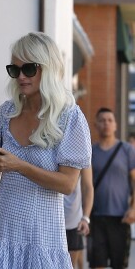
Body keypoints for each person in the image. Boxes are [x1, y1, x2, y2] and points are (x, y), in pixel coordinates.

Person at [0, 32, 92, 268]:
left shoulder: (69, 117)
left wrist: (19, 165)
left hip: (43, 237)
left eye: (29, 69)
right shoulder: (6, 113)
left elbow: (67, 184)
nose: (21, 76)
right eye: (15, 70)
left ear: (48, 69)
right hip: (1, 231)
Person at [90, 107, 135, 269]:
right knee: (97, 264)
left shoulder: (127, 150)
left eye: (110, 120)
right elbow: (84, 185)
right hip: (96, 217)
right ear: (96, 125)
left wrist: (133, 209)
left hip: (120, 218)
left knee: (119, 265)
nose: (106, 124)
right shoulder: (91, 152)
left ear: (115, 125)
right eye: (102, 120)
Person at [64, 166, 94, 269]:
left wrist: (85, 218)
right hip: (49, 220)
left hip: (73, 220)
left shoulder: (83, 150)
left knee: (71, 265)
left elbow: (88, 186)